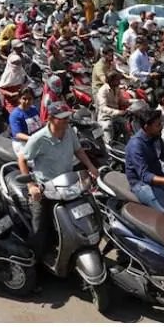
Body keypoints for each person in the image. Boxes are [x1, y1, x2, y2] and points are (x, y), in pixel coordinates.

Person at [19, 102, 99, 259]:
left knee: (85, 213)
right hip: (46, 188)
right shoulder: (38, 138)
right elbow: (22, 159)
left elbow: (78, 150)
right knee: (40, 227)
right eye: (62, 118)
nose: (66, 121)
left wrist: (91, 166)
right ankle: (36, 261)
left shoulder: (69, 132)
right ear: (50, 118)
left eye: (67, 117)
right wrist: (31, 186)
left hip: (68, 185)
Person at [125, 109, 164, 212]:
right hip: (141, 184)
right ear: (146, 127)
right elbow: (145, 176)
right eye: (158, 125)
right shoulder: (136, 145)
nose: (161, 127)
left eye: (161, 123)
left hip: (158, 177)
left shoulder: (156, 137)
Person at [95, 71, 127, 144]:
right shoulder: (103, 91)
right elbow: (103, 108)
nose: (119, 82)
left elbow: (122, 101)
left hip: (116, 116)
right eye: (117, 80)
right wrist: (118, 112)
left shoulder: (117, 88)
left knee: (125, 124)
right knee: (108, 126)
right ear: (111, 81)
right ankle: (108, 146)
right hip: (105, 117)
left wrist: (134, 101)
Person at [9, 88, 43, 155]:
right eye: (24, 99)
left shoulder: (33, 109)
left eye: (30, 99)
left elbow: (39, 123)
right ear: (19, 99)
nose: (27, 101)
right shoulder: (15, 115)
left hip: (36, 140)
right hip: (22, 143)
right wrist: (32, 139)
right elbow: (18, 135)